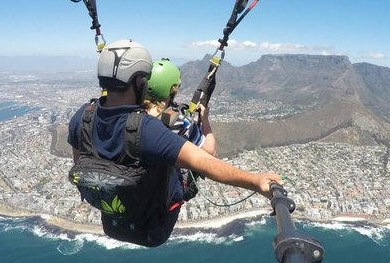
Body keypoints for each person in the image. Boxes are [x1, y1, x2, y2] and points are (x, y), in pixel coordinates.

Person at [67, 39, 280, 247]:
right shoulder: (146, 129)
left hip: (113, 220)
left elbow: (81, 162)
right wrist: (254, 180)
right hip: (152, 228)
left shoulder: (82, 117)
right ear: (140, 81)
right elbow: (205, 160)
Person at [143, 57, 215, 206]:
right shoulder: (178, 123)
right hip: (162, 198)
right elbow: (210, 151)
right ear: (171, 90)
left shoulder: (131, 115)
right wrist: (205, 120)